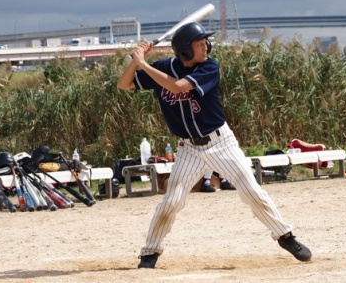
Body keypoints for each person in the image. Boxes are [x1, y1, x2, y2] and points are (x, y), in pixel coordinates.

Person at [118, 22, 312, 269]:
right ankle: (150, 253)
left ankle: (286, 237)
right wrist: (136, 60)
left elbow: (177, 86)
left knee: (252, 191)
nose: (205, 47)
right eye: (199, 44)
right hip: (188, 149)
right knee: (171, 201)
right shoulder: (164, 67)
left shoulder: (209, 66)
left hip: (220, 142)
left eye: (204, 43)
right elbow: (124, 84)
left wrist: (144, 64)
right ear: (185, 51)